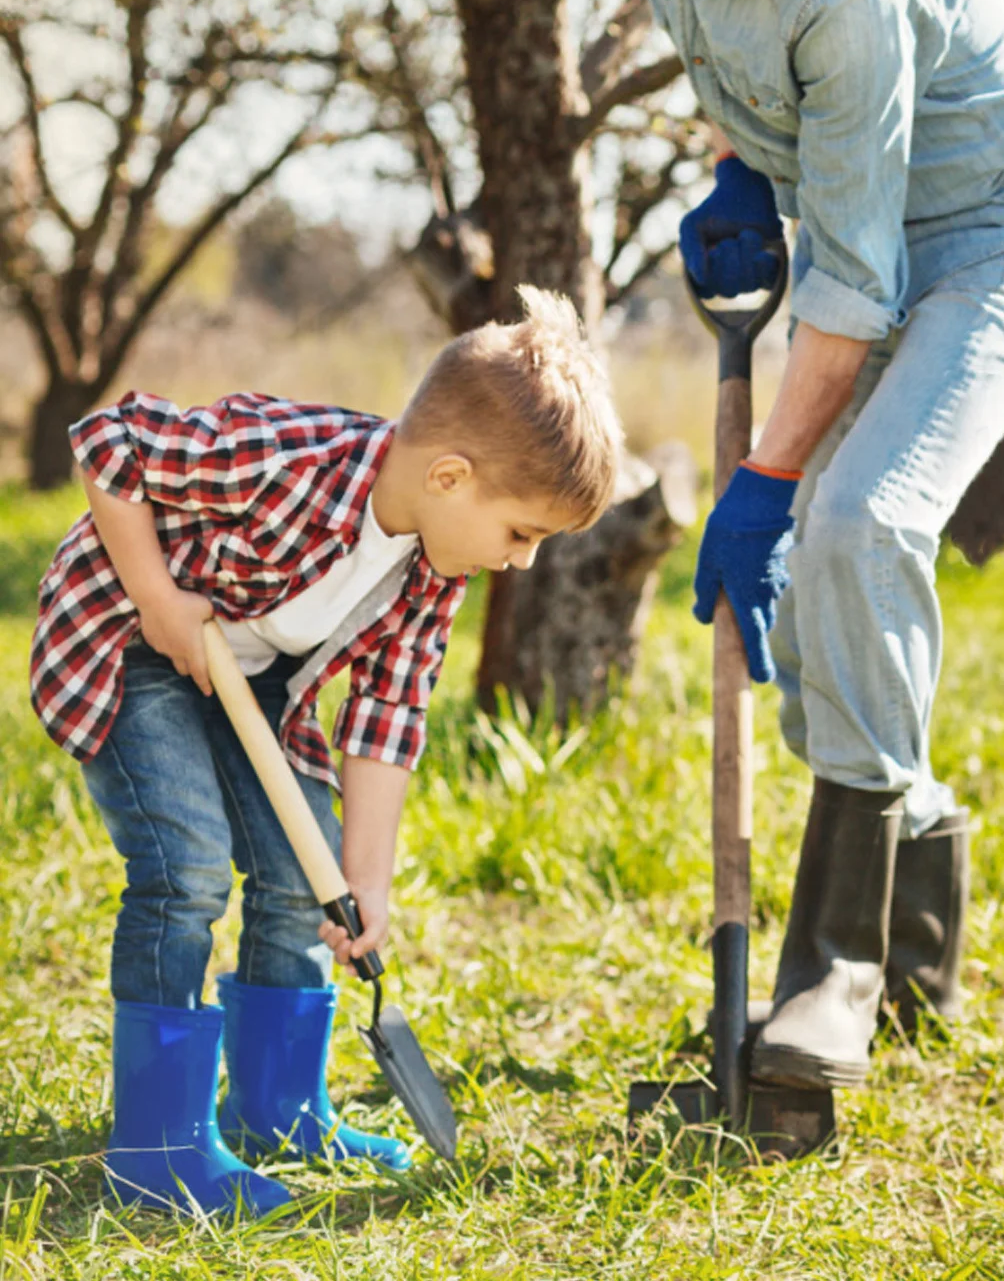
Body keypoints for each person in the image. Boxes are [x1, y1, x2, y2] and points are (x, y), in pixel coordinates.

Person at [528, 0, 1004, 1091]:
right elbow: (733, 50)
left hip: (996, 229)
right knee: (829, 604)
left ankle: (831, 973)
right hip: (867, 210)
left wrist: (766, 482)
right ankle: (905, 963)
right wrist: (740, 165)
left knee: (855, 525)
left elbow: (847, 286)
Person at [29, 286, 620, 1215]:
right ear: (451, 477)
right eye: (521, 533)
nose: (522, 561)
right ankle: (156, 1148)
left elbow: (387, 719)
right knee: (187, 868)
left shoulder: (434, 570)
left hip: (252, 677)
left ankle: (278, 1109)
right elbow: (111, 444)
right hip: (135, 640)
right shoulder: (283, 460)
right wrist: (155, 595)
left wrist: (364, 883)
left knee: (303, 876)